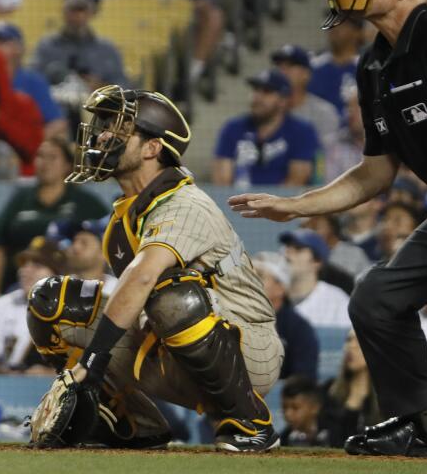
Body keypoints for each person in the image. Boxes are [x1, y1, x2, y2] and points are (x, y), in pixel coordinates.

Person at [230, 0, 427, 457]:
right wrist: (295, 206)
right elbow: (376, 172)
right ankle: (425, 426)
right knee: (376, 298)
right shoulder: (374, 63)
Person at [27, 86, 280, 452]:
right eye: (104, 125)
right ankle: (133, 426)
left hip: (248, 350)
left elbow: (145, 277)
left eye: (119, 127)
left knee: (173, 297)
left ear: (152, 147)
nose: (102, 135)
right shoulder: (123, 218)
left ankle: (250, 422)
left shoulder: (183, 202)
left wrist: (92, 363)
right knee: (52, 301)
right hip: (175, 344)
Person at [0, 137, 107, 291]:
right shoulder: (21, 199)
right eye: (40, 156)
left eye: (52, 157)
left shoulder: (83, 202)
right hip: (19, 282)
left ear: (67, 165)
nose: (45, 163)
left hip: (67, 284)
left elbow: (107, 237)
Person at [212, 69, 320, 187]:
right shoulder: (233, 128)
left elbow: (295, 183)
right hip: (236, 203)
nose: (257, 97)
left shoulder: (302, 131)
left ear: (283, 101)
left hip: (282, 203)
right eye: (255, 90)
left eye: (266, 91)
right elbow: (222, 183)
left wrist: (263, 204)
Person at [0, 242, 64, 374]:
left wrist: (48, 374)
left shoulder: (71, 309)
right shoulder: (4, 304)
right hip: (11, 386)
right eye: (24, 264)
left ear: (57, 275)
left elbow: (86, 368)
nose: (25, 270)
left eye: (37, 265)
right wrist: (11, 374)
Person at [30, 0, 128, 87]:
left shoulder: (107, 49)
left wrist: (99, 86)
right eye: (73, 9)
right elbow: (32, 82)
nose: (78, 15)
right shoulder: (47, 46)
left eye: (81, 9)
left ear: (91, 12)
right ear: (63, 12)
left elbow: (123, 86)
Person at [0, 22, 66, 137]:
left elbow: (58, 123)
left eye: (2, 42)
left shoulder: (33, 81)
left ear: (18, 47)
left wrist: (32, 143)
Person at [250, 251, 319, 381]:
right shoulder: (230, 319)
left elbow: (303, 381)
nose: (249, 281)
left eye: (259, 275)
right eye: (247, 274)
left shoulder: (300, 329)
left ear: (280, 288)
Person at [271, 44, 342, 148]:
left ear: (306, 74)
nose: (282, 71)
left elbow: (327, 154)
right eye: (279, 66)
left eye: (289, 66)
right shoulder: (267, 112)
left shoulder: (324, 113)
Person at [280, 228, 352, 328]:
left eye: (298, 248)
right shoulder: (272, 294)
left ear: (317, 261)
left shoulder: (336, 301)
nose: (288, 253)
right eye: (287, 247)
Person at [280, 375, 332, 448]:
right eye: (284, 407)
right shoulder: (283, 440)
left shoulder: (336, 433)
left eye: (295, 408)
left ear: (315, 408)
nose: (288, 414)